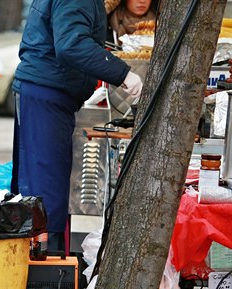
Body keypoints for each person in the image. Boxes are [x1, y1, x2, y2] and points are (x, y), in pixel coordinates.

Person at [11, 0, 142, 251]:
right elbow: (71, 44)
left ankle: (42, 261)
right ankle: (45, 266)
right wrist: (123, 73)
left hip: (44, 91)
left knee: (40, 184)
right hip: (48, 93)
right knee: (44, 187)